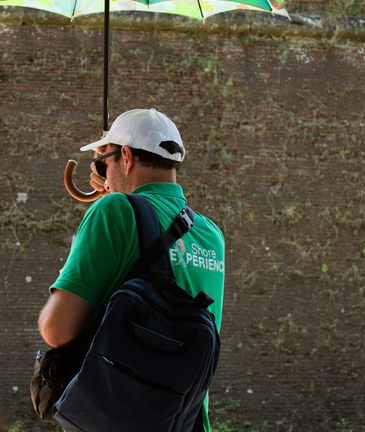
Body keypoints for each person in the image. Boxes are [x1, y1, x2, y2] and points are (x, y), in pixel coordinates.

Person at [38, 108, 225, 431]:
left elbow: (57, 329)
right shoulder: (212, 234)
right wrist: (119, 190)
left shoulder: (113, 210)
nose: (101, 175)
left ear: (126, 156)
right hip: (185, 422)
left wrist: (112, 200)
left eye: (101, 163)